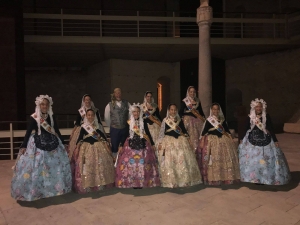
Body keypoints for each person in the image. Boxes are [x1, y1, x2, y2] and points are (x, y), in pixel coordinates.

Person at [11, 95, 72, 201]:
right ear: (39, 105)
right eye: (43, 104)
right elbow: (29, 131)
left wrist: (63, 142)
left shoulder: (51, 116)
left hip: (53, 142)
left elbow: (56, 129)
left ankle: (53, 189)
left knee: (54, 167)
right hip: (38, 144)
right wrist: (24, 145)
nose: (45, 106)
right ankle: (38, 191)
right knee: (38, 167)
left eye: (46, 104)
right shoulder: (35, 117)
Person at [238, 98, 291, 185]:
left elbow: (271, 129)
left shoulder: (266, 116)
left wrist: (275, 140)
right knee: (253, 160)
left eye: (260, 107)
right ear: (254, 108)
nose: (259, 108)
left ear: (263, 107)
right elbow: (245, 128)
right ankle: (255, 178)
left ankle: (264, 177)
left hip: (265, 139)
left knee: (265, 160)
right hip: (252, 139)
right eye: (257, 107)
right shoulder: (250, 117)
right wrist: (241, 139)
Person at [156, 103, 202, 188]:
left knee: (182, 158)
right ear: (169, 111)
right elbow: (161, 134)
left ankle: (183, 181)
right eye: (171, 110)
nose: (173, 111)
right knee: (170, 161)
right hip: (168, 141)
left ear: (176, 111)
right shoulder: (165, 120)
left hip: (180, 141)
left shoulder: (179, 120)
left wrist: (188, 140)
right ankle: (172, 181)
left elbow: (184, 131)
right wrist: (160, 143)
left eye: (174, 110)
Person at [115, 103, 160, 188]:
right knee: (131, 163)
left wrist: (153, 144)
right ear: (132, 112)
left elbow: (148, 133)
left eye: (138, 111)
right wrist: (121, 145)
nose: (136, 113)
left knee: (142, 163)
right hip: (130, 143)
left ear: (140, 112)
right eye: (134, 111)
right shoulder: (128, 122)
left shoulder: (144, 121)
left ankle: (141, 181)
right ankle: (132, 182)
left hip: (142, 143)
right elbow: (124, 135)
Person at [72, 109, 115, 193]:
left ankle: (100, 184)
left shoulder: (97, 126)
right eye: (88, 115)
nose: (90, 116)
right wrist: (78, 146)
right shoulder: (83, 127)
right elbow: (80, 138)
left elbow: (102, 136)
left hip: (98, 148)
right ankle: (88, 185)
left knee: (99, 165)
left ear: (94, 116)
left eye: (92, 115)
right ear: (86, 116)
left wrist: (106, 142)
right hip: (87, 148)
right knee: (87, 166)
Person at [197, 103, 240, 185]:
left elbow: (227, 131)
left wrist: (231, 139)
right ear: (211, 110)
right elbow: (204, 132)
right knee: (214, 159)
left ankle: (225, 177)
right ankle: (214, 178)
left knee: (224, 159)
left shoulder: (222, 120)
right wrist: (202, 141)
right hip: (212, 141)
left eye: (217, 109)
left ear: (219, 110)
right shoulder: (209, 120)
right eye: (214, 109)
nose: (215, 111)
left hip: (223, 141)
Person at [68, 94, 105, 161]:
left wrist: (103, 131)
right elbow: (77, 123)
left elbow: (99, 122)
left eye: (89, 100)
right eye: (86, 100)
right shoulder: (81, 110)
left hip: (94, 128)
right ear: (84, 101)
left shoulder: (95, 110)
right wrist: (73, 132)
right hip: (83, 129)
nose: (87, 101)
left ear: (91, 101)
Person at [104, 88, 130, 157]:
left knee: (125, 146)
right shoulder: (109, 105)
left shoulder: (127, 103)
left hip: (125, 128)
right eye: (117, 93)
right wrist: (112, 125)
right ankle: (115, 163)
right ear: (114, 94)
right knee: (115, 146)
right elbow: (107, 118)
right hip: (114, 129)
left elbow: (130, 116)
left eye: (119, 93)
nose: (118, 94)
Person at [179, 86, 205, 151]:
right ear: (188, 92)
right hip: (188, 120)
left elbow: (201, 111)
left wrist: (204, 118)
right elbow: (180, 112)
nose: (192, 93)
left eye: (193, 92)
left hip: (197, 120)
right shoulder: (185, 101)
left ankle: (199, 150)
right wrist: (188, 115)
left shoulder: (198, 101)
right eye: (191, 92)